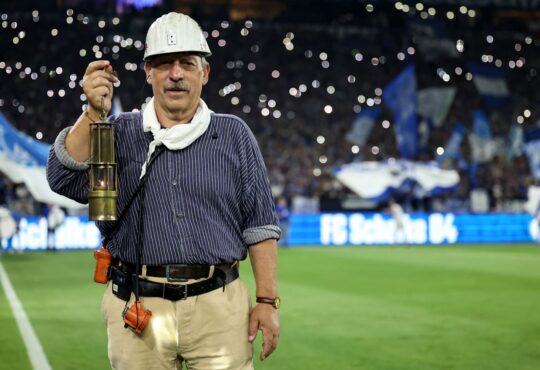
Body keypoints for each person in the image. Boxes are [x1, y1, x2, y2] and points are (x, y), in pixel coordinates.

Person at [46, 12, 281, 370]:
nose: (176, 74)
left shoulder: (233, 135)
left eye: (187, 63)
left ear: (204, 73)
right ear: (148, 73)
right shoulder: (119, 132)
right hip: (138, 304)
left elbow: (260, 225)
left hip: (218, 305)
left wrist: (266, 300)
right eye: (164, 63)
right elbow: (62, 177)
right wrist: (93, 112)